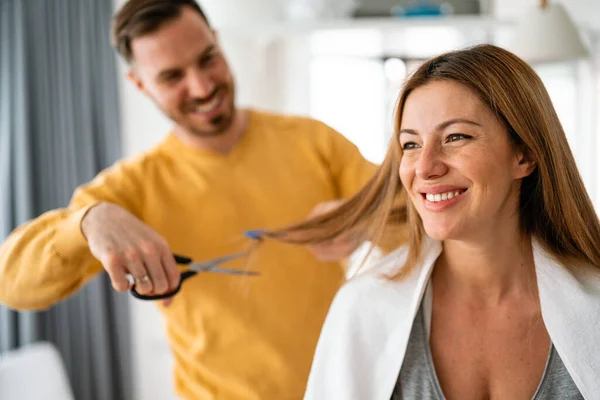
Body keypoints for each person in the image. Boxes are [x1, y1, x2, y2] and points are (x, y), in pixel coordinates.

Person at [0, 0, 398, 399]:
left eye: (208, 59)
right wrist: (87, 222)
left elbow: (419, 222)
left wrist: (365, 222)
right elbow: (11, 285)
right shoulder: (133, 186)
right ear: (141, 85)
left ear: (219, 44)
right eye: (173, 77)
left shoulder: (315, 142)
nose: (202, 86)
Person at [262, 44, 600, 399]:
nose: (425, 167)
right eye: (410, 145)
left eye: (455, 137)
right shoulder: (362, 310)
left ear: (525, 153)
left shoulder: (592, 308)